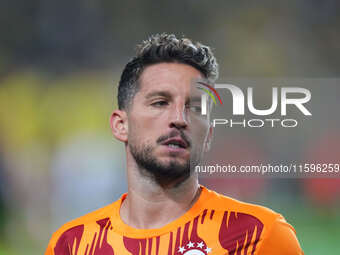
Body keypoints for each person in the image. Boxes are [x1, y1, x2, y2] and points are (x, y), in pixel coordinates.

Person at [45, 33, 304, 255]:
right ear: (120, 125)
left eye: (196, 107)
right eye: (160, 102)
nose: (179, 119)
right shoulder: (72, 245)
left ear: (209, 135)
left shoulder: (260, 235)